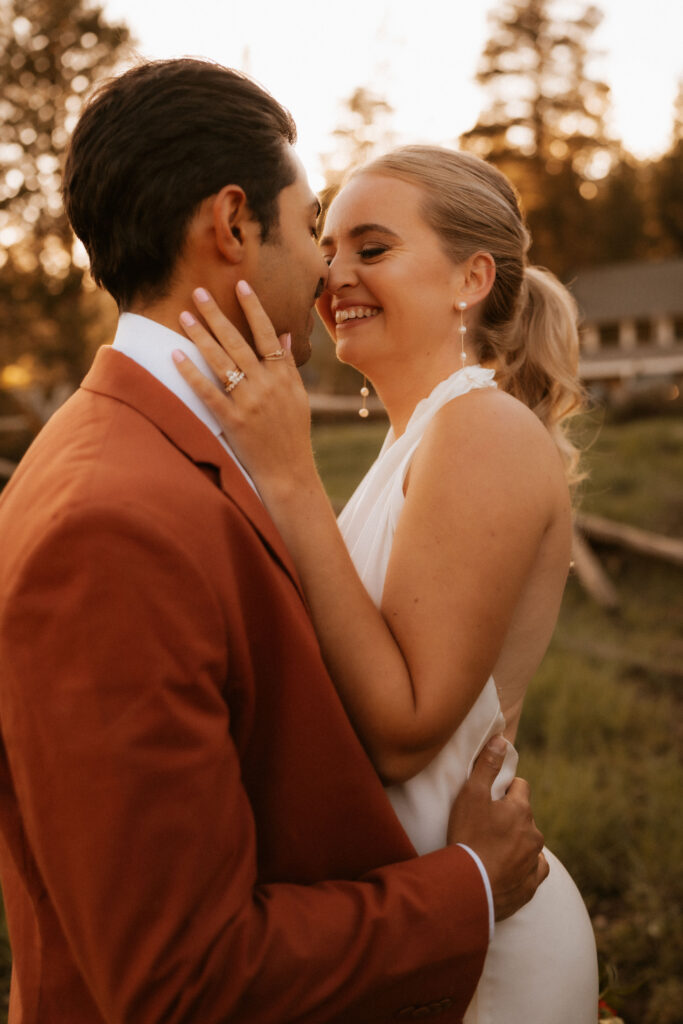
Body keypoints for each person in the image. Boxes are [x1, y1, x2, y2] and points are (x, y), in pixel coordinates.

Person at [0, 61, 548, 1024]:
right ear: (230, 224)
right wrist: (463, 882)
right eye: (310, 230)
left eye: (363, 245)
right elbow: (180, 978)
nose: (324, 270)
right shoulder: (109, 524)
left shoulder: (162, 449)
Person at [172, 145, 600, 1022]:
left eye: (372, 249)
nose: (334, 276)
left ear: (470, 276)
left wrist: (287, 471)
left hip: (486, 946)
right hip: (413, 920)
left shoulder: (482, 430)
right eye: (327, 250)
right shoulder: (415, 442)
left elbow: (404, 731)